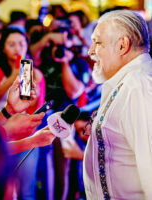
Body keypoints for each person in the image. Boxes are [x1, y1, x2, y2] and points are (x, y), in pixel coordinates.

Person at [84, 10, 152, 199]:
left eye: (97, 42)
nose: (90, 51)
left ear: (122, 45)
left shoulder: (139, 86)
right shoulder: (129, 82)